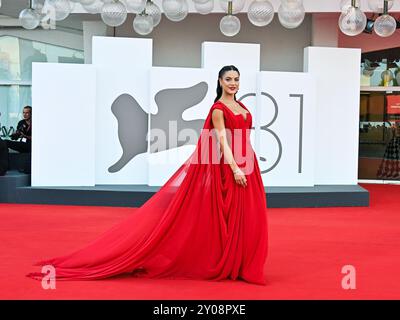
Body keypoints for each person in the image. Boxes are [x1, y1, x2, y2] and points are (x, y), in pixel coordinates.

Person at [27, 66, 269, 285]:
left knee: (248, 215)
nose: (234, 83)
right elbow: (222, 141)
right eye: (229, 79)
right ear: (220, 81)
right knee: (232, 214)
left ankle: (237, 263)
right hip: (231, 167)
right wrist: (235, 168)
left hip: (249, 163)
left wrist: (246, 163)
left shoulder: (242, 106)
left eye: (237, 79)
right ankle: (229, 262)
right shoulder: (218, 109)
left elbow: (242, 137)